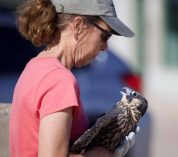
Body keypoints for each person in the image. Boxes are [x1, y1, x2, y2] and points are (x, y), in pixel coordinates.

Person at [9, 0, 139, 157]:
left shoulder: (34, 67)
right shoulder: (60, 80)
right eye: (105, 36)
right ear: (78, 26)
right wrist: (100, 154)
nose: (106, 47)